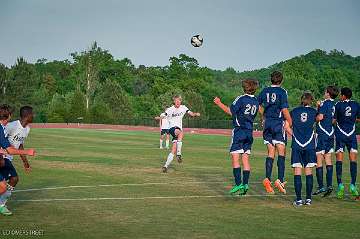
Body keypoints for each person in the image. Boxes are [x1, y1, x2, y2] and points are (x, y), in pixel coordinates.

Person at [214, 79, 259, 195]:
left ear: (245, 88)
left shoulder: (241, 99)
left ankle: (238, 183)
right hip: (249, 132)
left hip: (239, 131)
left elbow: (231, 111)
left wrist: (219, 103)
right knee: (245, 159)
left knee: (235, 158)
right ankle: (245, 184)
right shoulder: (256, 101)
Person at [258, 71, 292, 194]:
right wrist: (290, 121)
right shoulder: (283, 92)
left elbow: (258, 106)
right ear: (281, 81)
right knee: (281, 151)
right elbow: (284, 109)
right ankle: (280, 180)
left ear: (271, 79)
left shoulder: (264, 90)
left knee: (271, 152)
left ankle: (267, 179)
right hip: (278, 124)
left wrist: (264, 116)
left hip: (268, 124)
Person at [0, 104, 36, 216]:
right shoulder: (11, 125)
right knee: (4, 184)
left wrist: (25, 162)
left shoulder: (27, 129)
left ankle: (2, 204)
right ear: (27, 115)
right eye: (32, 114)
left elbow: (20, 145)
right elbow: (3, 140)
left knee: (14, 179)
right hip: (3, 157)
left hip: (8, 157)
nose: (34, 116)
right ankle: (1, 204)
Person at [286, 92, 317, 206]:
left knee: (297, 171)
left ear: (301, 100)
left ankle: (298, 199)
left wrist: (294, 135)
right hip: (310, 145)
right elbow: (321, 119)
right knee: (308, 171)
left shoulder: (294, 111)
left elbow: (286, 126)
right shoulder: (314, 112)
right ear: (311, 101)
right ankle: (308, 199)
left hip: (297, 145)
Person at [161, 95, 200, 173]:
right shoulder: (170, 109)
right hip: (172, 128)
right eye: (176, 100)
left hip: (177, 130)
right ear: (174, 101)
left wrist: (195, 114)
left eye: (179, 100)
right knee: (181, 132)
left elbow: (191, 113)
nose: (178, 102)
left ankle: (165, 166)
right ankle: (179, 154)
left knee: (173, 149)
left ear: (181, 101)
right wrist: (161, 116)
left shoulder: (183, 107)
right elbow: (163, 115)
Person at [333, 87, 360, 199]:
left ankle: (340, 185)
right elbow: (358, 118)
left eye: (341, 95)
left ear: (343, 96)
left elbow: (334, 120)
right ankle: (353, 185)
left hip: (340, 134)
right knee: (353, 159)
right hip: (352, 134)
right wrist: (353, 119)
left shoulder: (338, 105)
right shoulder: (356, 105)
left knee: (339, 159)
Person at [313, 86, 339, 197]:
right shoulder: (335, 105)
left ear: (328, 93)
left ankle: (320, 186)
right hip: (330, 134)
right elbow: (334, 120)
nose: (324, 93)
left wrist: (317, 108)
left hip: (322, 133)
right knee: (328, 159)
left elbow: (320, 117)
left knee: (319, 158)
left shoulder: (325, 103)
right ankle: (329, 185)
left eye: (325, 91)